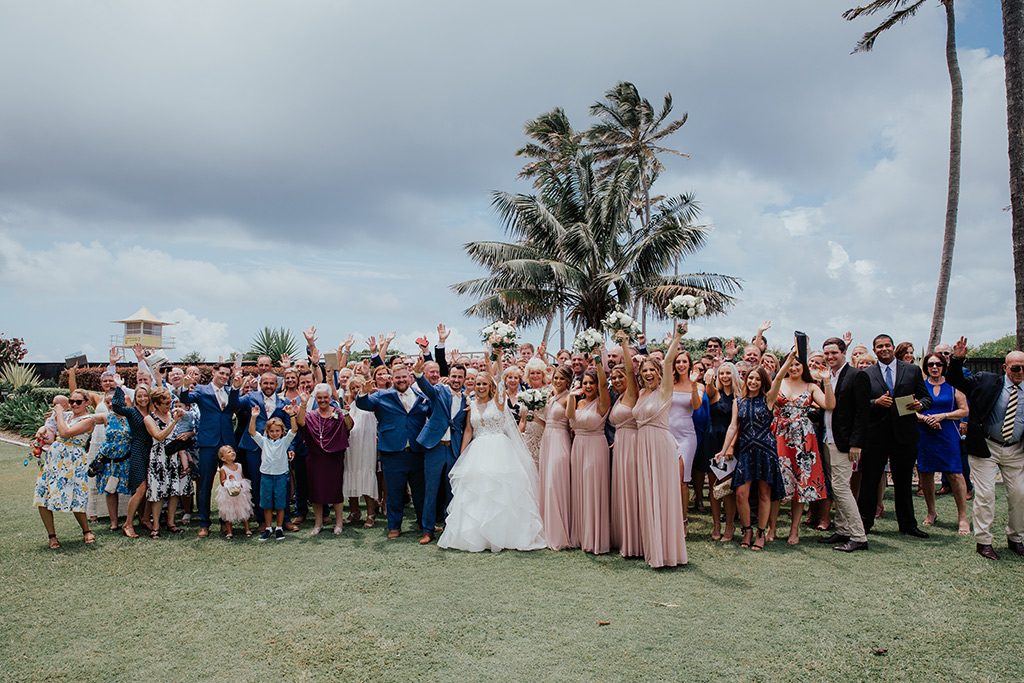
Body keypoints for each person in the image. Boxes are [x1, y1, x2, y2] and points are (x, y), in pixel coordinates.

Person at [437, 372, 546, 552]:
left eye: (484, 384)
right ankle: (478, 536)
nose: (480, 387)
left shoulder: (498, 402)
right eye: (478, 384)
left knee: (500, 491)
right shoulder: (470, 405)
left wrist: (494, 355)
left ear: (490, 386)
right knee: (477, 491)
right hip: (477, 450)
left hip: (499, 449)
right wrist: (462, 456)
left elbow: (501, 377)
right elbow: (468, 431)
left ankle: (505, 533)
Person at [945, 338, 1024, 560]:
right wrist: (958, 359)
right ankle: (984, 542)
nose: (1020, 372)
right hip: (986, 447)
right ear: (1005, 368)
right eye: (1016, 368)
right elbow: (955, 379)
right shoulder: (986, 381)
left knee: (1020, 495)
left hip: (1016, 450)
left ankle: (1016, 539)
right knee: (986, 494)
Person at [856, 334, 932, 538]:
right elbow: (860, 404)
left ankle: (908, 525)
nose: (884, 349)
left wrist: (921, 405)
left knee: (904, 481)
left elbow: (926, 397)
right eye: (879, 346)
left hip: (904, 434)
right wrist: (875, 403)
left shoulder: (912, 370)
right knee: (870, 481)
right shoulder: (866, 373)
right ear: (874, 349)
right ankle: (864, 523)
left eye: (887, 345)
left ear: (892, 347)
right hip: (876, 435)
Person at [633, 324, 687, 568]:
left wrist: (676, 338)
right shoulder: (641, 394)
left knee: (663, 494)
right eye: (644, 370)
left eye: (651, 369)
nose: (648, 373)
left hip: (661, 444)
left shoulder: (665, 391)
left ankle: (668, 552)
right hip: (642, 445)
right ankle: (653, 548)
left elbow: (667, 364)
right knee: (647, 495)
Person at [356, 365, 431, 540]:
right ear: (392, 378)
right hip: (392, 452)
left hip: (416, 451)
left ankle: (424, 524)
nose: (401, 380)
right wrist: (363, 393)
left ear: (410, 378)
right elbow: (363, 404)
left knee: (420, 492)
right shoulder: (382, 395)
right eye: (397, 377)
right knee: (395, 493)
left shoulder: (421, 397)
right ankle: (394, 526)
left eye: (404, 377)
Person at [716, 366, 786, 552]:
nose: (753, 382)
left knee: (764, 494)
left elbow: (778, 378)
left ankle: (760, 533)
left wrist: (791, 358)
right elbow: (733, 427)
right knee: (741, 494)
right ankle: (747, 530)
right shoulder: (739, 401)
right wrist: (723, 450)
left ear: (763, 382)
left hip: (766, 451)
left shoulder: (768, 399)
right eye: (750, 378)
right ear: (746, 380)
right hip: (746, 451)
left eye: (757, 379)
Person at [768, 348, 834, 545]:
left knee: (800, 484)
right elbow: (770, 399)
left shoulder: (811, 386)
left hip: (803, 438)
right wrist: (786, 363)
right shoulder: (778, 382)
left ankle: (794, 530)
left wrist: (827, 380)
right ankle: (771, 527)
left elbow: (829, 405)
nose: (794, 367)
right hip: (779, 434)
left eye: (798, 364)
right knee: (777, 483)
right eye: (791, 363)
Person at [177, 363, 242, 538]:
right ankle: (204, 523)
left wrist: (236, 388)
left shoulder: (230, 390)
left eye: (227, 374)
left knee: (229, 482)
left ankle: (225, 522)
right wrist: (184, 384)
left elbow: (235, 406)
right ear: (213, 372)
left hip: (227, 442)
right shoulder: (202, 390)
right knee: (205, 484)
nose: (224, 376)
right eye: (221, 373)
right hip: (208, 442)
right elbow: (186, 398)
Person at [820, 337, 871, 552]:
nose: (830, 357)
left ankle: (859, 536)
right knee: (837, 487)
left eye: (834, 353)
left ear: (843, 353)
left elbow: (862, 412)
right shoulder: (827, 377)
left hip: (846, 443)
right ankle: (842, 529)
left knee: (841, 488)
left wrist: (856, 443)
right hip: (828, 439)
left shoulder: (857, 375)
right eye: (827, 353)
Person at [413, 354, 468, 544]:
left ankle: (450, 527)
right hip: (434, 447)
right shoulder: (439, 391)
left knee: (451, 491)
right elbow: (425, 387)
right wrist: (419, 373)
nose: (456, 380)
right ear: (449, 376)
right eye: (454, 376)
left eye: (460, 377)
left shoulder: (467, 401)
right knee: (431, 489)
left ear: (464, 379)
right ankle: (427, 530)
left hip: (453, 449)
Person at [916, 353, 970, 535]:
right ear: (926, 366)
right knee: (926, 473)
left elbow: (964, 409)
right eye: (930, 364)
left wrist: (943, 416)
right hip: (925, 434)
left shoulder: (954, 386)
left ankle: (962, 516)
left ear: (943, 366)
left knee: (955, 474)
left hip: (948, 434)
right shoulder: (919, 386)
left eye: (938, 364)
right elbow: (907, 409)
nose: (934, 367)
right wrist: (925, 418)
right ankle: (931, 512)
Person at [33, 391, 96, 548]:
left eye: (78, 402)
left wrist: (59, 412)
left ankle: (86, 531)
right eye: (71, 401)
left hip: (74, 461)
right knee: (44, 495)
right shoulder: (66, 416)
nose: (74, 404)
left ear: (87, 403)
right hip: (54, 459)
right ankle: (52, 536)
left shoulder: (88, 420)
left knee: (77, 496)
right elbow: (51, 432)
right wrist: (42, 432)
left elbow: (65, 432)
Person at [238, 372, 292, 531]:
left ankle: (285, 520)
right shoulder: (250, 397)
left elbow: (290, 427)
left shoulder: (284, 401)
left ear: (277, 385)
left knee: (283, 484)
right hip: (254, 446)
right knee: (258, 483)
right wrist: (236, 386)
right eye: (265, 383)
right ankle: (262, 520)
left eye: (272, 383)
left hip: (278, 449)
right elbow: (233, 403)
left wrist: (291, 448)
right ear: (261, 383)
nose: (268, 386)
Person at [568, 358, 611, 554]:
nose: (588, 386)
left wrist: (599, 363)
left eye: (591, 383)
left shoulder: (603, 402)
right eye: (585, 383)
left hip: (595, 446)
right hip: (578, 447)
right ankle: (580, 534)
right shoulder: (578, 402)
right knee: (580, 489)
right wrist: (571, 396)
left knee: (592, 489)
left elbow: (604, 383)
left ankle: (594, 537)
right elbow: (570, 418)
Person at [297, 383, 353, 536]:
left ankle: (339, 523)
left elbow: (349, 426)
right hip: (315, 458)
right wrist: (303, 403)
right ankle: (318, 523)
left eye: (325, 397)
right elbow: (300, 422)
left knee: (335, 490)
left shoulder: (338, 412)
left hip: (334, 458)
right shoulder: (311, 414)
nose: (322, 400)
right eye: (319, 398)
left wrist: (346, 412)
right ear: (315, 398)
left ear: (330, 398)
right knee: (316, 491)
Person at [609, 332, 641, 557]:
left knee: (631, 489)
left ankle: (635, 540)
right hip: (620, 443)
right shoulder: (618, 398)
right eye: (615, 378)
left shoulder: (633, 392)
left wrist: (625, 345)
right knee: (621, 489)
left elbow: (630, 370)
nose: (618, 380)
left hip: (632, 443)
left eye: (621, 377)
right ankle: (622, 537)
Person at [248, 403, 299, 541]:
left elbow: (294, 429)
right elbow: (252, 432)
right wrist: (253, 417)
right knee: (267, 504)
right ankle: (268, 528)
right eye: (272, 431)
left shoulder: (284, 442)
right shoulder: (264, 441)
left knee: (281, 504)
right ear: (267, 432)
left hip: (281, 476)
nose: (275, 433)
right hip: (266, 477)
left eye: (277, 431)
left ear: (282, 431)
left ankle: (279, 528)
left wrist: (291, 414)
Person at [111, 382, 154, 538]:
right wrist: (119, 388)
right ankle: (128, 523)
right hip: (138, 449)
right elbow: (116, 407)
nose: (143, 399)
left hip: (152, 450)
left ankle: (144, 518)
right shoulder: (132, 411)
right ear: (135, 398)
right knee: (141, 487)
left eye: (145, 396)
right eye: (139, 396)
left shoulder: (152, 412)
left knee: (151, 487)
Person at [539, 364, 574, 550]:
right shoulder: (552, 397)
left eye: (561, 378)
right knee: (546, 483)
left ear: (568, 380)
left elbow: (572, 421)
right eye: (556, 378)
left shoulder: (570, 397)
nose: (558, 381)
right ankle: (546, 529)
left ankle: (559, 533)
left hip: (560, 440)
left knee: (555, 484)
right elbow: (546, 422)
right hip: (547, 439)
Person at [143, 388, 186, 537]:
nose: (169, 406)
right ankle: (155, 525)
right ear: (155, 404)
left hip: (173, 457)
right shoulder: (149, 419)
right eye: (165, 403)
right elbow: (159, 436)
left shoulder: (172, 414)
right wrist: (174, 421)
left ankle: (171, 522)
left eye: (170, 402)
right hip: (158, 458)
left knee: (174, 491)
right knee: (158, 492)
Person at [702, 362, 738, 541]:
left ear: (734, 375)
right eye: (721, 373)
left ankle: (730, 525)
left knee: (727, 487)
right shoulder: (715, 393)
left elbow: (738, 423)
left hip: (731, 443)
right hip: (712, 441)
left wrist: (730, 446)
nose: (724, 376)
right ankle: (716, 524)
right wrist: (709, 378)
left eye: (728, 373)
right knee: (714, 486)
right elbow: (708, 391)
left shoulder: (740, 395)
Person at [668, 349, 703, 523]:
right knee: (668, 478)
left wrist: (694, 385)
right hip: (667, 434)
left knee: (682, 479)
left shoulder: (697, 385)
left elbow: (696, 407)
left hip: (686, 436)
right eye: (678, 362)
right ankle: (669, 517)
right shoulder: (668, 384)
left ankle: (683, 520)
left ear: (689, 364)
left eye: (684, 362)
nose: (681, 365)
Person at [342, 375, 380, 528]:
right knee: (351, 475)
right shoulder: (348, 407)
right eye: (352, 388)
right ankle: (354, 511)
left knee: (366, 475)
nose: (355, 390)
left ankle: (371, 514)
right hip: (351, 447)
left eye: (358, 387)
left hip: (367, 447)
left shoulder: (371, 403)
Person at [216, 445, 252, 539]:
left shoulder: (239, 466)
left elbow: (242, 477)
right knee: (228, 511)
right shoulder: (223, 469)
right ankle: (229, 531)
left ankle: (247, 528)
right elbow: (222, 482)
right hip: (229, 493)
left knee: (244, 509)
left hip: (240, 492)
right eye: (229, 452)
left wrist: (241, 483)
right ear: (223, 458)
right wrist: (230, 481)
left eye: (232, 451)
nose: (232, 452)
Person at [519, 357, 548, 465]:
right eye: (532, 373)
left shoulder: (548, 392)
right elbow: (522, 420)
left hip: (544, 436)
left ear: (543, 375)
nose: (535, 376)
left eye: (538, 373)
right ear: (528, 375)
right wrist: (518, 436)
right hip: (528, 437)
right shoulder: (525, 394)